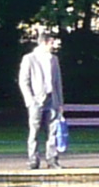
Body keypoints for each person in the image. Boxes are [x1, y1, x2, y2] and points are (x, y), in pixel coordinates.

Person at [18, 28, 65, 169]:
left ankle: (52, 159)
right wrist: (30, 100)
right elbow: (23, 81)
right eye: (51, 42)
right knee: (35, 130)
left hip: (52, 99)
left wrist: (60, 102)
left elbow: (58, 82)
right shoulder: (29, 58)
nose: (54, 45)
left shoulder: (54, 59)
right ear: (44, 43)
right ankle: (33, 159)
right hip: (37, 100)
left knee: (53, 130)